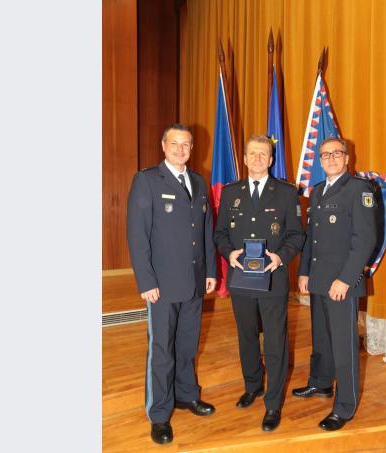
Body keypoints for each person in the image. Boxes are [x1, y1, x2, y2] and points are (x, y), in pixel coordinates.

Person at [126, 124, 218, 445]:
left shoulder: (198, 181)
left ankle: (186, 394)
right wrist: (146, 280)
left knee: (187, 345)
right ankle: (160, 414)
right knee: (162, 350)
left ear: (192, 149)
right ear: (163, 145)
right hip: (162, 285)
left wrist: (209, 271)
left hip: (193, 281)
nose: (181, 150)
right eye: (175, 144)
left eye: (187, 145)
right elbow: (138, 235)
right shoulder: (148, 180)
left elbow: (205, 230)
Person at [213, 135, 305, 432]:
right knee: (247, 336)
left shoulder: (287, 193)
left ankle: (273, 403)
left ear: (271, 159)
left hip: (273, 280)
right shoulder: (231, 193)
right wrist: (230, 253)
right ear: (244, 158)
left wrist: (280, 257)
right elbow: (220, 234)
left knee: (276, 341)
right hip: (241, 279)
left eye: (263, 154)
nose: (257, 158)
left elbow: (296, 235)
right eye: (252, 153)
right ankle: (252, 385)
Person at [293, 137, 379, 431]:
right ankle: (320, 383)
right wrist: (304, 272)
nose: (330, 158)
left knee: (344, 347)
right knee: (322, 339)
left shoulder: (359, 190)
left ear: (346, 158)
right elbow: (310, 237)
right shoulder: (317, 192)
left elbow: (365, 240)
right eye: (325, 155)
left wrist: (346, 279)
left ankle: (344, 406)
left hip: (342, 282)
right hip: (318, 280)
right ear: (319, 160)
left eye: (336, 154)